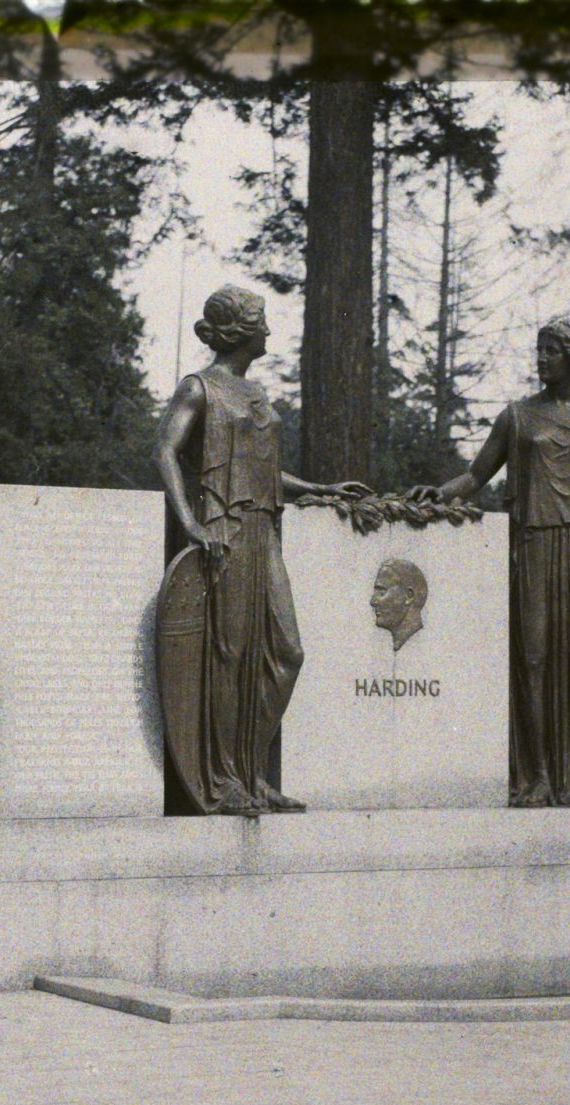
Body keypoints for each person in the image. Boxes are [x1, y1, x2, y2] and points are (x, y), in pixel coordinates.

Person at [408, 317, 570, 808]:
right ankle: (536, 776)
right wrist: (440, 494)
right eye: (539, 349)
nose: (541, 357)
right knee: (533, 659)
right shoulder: (517, 417)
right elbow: (477, 473)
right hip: (534, 543)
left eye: (551, 350)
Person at [153, 285, 372, 815]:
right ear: (239, 332)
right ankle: (229, 781)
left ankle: (252, 772)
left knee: (283, 652)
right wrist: (190, 524)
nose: (269, 331)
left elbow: (265, 472)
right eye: (261, 322)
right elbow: (164, 450)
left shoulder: (255, 395)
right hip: (222, 529)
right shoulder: (199, 388)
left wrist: (319, 489)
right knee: (230, 657)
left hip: (263, 529)